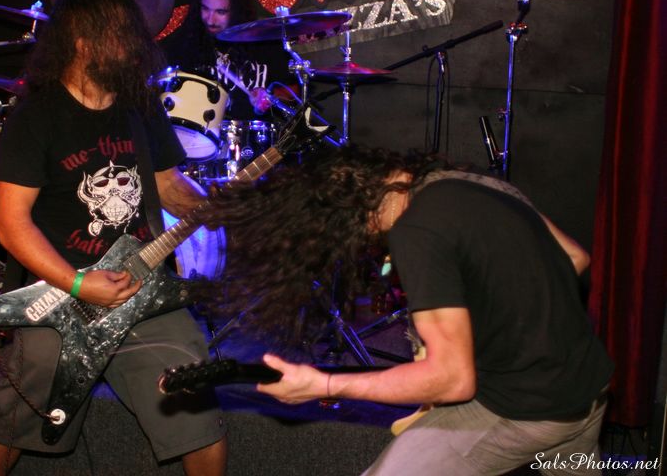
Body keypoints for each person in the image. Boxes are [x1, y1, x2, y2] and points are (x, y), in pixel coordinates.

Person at [197, 146, 613, 475]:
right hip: (588, 386)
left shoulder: (416, 232)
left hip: (525, 408)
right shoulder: (466, 182)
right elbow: (574, 257)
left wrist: (325, 384)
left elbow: (453, 380)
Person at [0, 0, 227, 476]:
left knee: (198, 407)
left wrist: (214, 206)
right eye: (122, 36)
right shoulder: (36, 117)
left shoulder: (140, 106)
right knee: (18, 418)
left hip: (142, 287)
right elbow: (11, 224)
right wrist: (77, 283)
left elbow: (168, 184)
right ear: (83, 43)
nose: (136, 47)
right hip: (60, 295)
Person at [164, 0, 297, 120]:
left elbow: (295, 90)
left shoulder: (263, 42)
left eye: (221, 12)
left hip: (258, 132)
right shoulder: (185, 45)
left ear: (237, 10)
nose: (210, 20)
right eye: (205, 9)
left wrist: (270, 95)